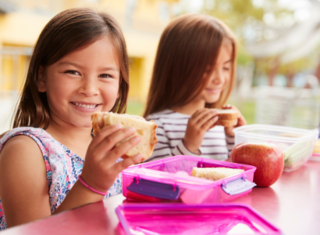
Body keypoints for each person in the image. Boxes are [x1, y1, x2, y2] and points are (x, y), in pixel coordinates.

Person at [0, 8, 143, 230]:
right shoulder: (25, 150)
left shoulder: (115, 149)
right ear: (41, 78)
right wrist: (91, 186)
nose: (89, 89)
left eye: (105, 75)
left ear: (119, 86)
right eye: (72, 72)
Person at [144, 14, 246, 162]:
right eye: (207, 69)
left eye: (226, 67)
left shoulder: (219, 127)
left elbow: (232, 172)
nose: (220, 79)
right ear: (175, 68)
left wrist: (235, 137)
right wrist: (188, 145)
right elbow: (157, 180)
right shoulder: (157, 126)